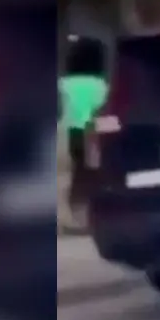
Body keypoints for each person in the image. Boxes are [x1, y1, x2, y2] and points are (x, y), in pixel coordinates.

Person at [58, 35, 108, 233]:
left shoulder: (63, 84)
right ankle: (89, 217)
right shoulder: (101, 86)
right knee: (93, 176)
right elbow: (105, 112)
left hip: (69, 132)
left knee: (71, 176)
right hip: (92, 132)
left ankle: (68, 217)